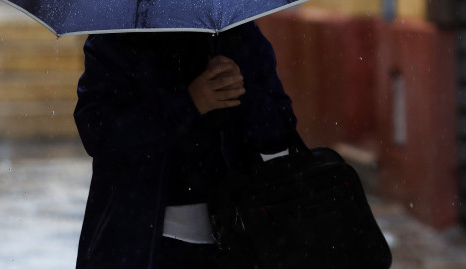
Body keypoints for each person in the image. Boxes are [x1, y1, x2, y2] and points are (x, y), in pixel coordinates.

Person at [73, 22, 298, 269]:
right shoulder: (117, 39)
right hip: (139, 241)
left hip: (241, 240)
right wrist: (189, 103)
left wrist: (241, 90)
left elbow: (279, 130)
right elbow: (100, 135)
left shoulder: (237, 33)